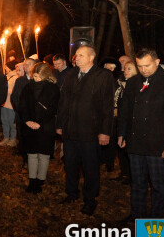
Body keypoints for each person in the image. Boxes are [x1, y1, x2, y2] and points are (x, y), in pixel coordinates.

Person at [118, 48, 164, 222]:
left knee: (158, 184)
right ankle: (137, 213)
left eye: (147, 65)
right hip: (135, 141)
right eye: (140, 66)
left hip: (157, 142)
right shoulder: (133, 82)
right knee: (137, 182)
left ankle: (155, 220)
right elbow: (125, 111)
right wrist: (122, 134)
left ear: (157, 62)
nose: (144, 69)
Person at [56, 45, 114, 216]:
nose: (76, 58)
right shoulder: (72, 74)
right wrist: (60, 124)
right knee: (70, 165)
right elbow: (64, 101)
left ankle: (90, 200)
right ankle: (71, 193)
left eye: (81, 55)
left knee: (90, 168)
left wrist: (105, 131)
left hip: (91, 132)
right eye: (76, 55)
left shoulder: (103, 76)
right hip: (70, 130)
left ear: (91, 58)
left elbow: (108, 106)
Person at [17, 63, 59, 193]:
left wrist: (40, 123)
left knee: (44, 154)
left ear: (45, 75)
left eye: (38, 76)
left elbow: (53, 109)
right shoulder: (28, 87)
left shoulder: (53, 89)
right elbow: (22, 105)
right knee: (32, 153)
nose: (35, 78)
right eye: (34, 75)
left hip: (45, 127)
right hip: (30, 126)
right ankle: (32, 179)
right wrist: (27, 120)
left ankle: (41, 178)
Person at [110, 61, 138, 185]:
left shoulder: (137, 87)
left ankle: (133, 177)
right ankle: (124, 173)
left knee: (130, 152)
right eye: (125, 69)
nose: (125, 71)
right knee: (121, 150)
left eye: (129, 69)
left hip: (132, 125)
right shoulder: (121, 85)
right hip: (121, 121)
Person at [0, 65, 19, 147]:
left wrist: (5, 90)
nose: (5, 69)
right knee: (4, 121)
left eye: (6, 67)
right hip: (4, 103)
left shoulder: (16, 77)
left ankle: (13, 139)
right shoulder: (6, 76)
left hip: (11, 104)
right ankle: (6, 137)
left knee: (12, 122)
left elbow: (14, 90)